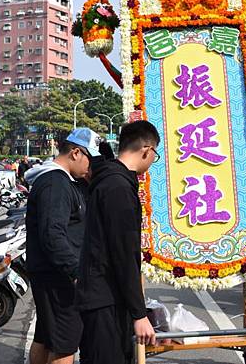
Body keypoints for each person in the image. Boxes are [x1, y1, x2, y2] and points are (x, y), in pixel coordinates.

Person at [78, 120, 159, 364]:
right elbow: (123, 254)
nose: (152, 161)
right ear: (146, 150)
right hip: (105, 299)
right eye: (154, 154)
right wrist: (139, 314)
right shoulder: (118, 187)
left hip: (103, 296)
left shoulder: (111, 179)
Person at [24, 128, 102, 364]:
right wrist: (75, 271)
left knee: (48, 337)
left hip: (52, 274)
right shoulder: (54, 182)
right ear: (76, 153)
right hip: (58, 277)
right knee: (65, 345)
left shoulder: (62, 180)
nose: (91, 166)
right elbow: (52, 234)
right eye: (91, 159)